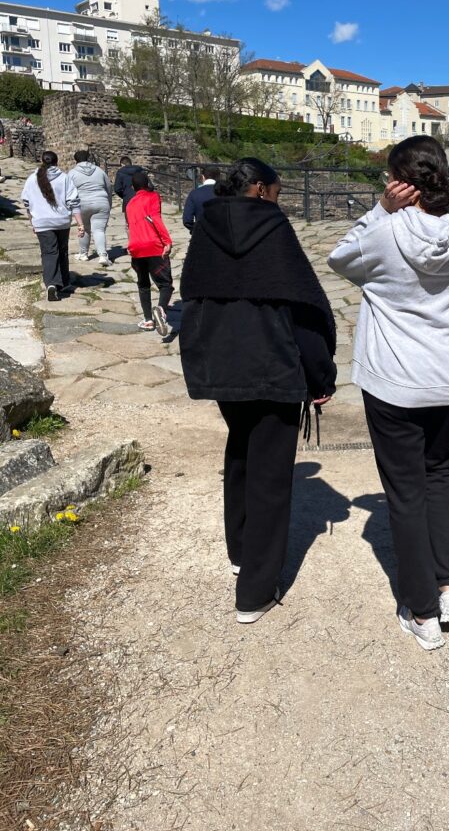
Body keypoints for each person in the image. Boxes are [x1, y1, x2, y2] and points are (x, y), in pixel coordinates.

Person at [328, 136, 449, 652]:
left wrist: (379, 210)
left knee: (406, 492)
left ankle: (422, 609)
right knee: (438, 476)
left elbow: (339, 260)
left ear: (397, 182)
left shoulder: (384, 231)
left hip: (396, 378)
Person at [180, 158, 336, 624]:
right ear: (263, 190)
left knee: (241, 453)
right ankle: (255, 591)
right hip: (273, 363)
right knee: (270, 474)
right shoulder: (273, 227)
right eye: (279, 189)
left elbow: (195, 296)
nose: (280, 198)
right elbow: (303, 309)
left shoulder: (205, 225)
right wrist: (320, 377)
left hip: (224, 362)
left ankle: (240, 551)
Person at [21, 150, 84, 302]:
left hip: (42, 222)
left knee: (49, 253)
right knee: (62, 251)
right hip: (61, 221)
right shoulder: (64, 178)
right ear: (56, 162)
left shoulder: (32, 179)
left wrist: (33, 223)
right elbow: (73, 201)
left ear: (42, 161)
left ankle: (51, 284)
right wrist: (80, 224)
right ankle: (64, 282)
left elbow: (27, 203)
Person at [125, 172, 174, 335]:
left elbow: (130, 226)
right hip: (153, 245)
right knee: (165, 284)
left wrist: (130, 245)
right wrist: (167, 241)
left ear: (133, 187)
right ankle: (160, 309)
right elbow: (155, 219)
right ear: (148, 183)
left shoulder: (130, 204)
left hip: (136, 247)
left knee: (143, 283)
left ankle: (148, 320)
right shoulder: (153, 197)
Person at [69, 150, 113, 266]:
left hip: (82, 203)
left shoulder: (72, 173)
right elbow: (108, 187)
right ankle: (103, 255)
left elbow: (68, 191)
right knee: (99, 230)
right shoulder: (100, 171)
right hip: (101, 201)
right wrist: (108, 202)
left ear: (76, 160)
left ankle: (83, 254)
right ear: (89, 158)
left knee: (84, 228)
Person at [182, 165, 221, 232]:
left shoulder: (194, 193)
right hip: (222, 235)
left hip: (202, 234)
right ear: (219, 177)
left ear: (203, 177)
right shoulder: (226, 192)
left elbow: (187, 220)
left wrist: (197, 231)